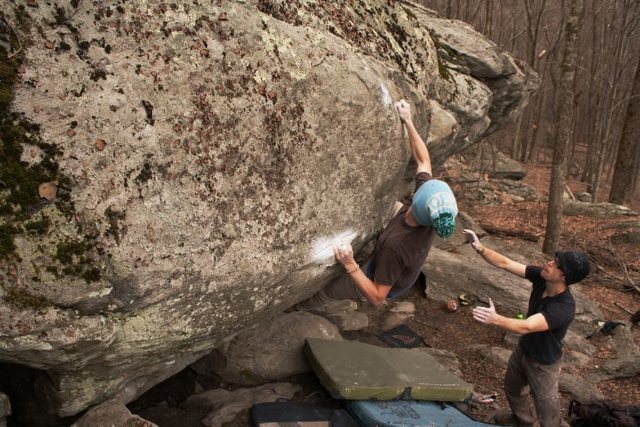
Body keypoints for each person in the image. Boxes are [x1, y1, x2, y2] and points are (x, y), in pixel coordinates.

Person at [300, 99, 458, 308]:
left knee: (331, 291)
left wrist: (350, 264)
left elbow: (378, 297)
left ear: (419, 202)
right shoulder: (428, 207)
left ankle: (303, 307)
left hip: (385, 278)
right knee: (386, 206)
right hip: (400, 231)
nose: (426, 182)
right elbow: (423, 161)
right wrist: (408, 121)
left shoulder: (397, 247)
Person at [463, 229, 590, 427]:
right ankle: (522, 421)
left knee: (547, 412)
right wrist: (480, 248)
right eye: (554, 259)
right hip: (523, 350)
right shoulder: (542, 276)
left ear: (565, 277)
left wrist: (495, 319)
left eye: (557, 265)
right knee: (513, 389)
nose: (549, 263)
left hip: (544, 363)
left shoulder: (563, 308)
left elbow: (527, 326)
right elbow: (506, 263)